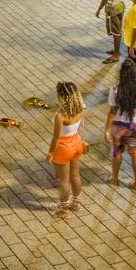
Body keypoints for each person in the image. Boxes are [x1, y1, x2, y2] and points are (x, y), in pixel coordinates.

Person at [104, 58, 136, 189]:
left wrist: (107, 130)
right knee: (135, 153)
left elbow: (112, 111)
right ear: (135, 71)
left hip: (120, 125)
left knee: (117, 152)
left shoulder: (115, 89)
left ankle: (115, 179)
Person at [45, 82, 85, 217]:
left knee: (63, 180)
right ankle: (77, 203)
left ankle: (63, 209)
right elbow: (79, 128)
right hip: (76, 143)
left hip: (63, 147)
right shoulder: (80, 109)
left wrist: (50, 153)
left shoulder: (60, 116)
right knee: (75, 176)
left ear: (61, 96)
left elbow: (56, 138)